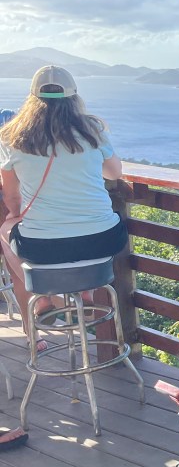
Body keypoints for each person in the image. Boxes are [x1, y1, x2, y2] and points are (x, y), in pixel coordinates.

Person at [0, 65, 127, 327]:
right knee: (86, 236)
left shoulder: (13, 138)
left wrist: (16, 216)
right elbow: (114, 173)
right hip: (103, 240)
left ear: (32, 99)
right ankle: (86, 292)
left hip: (42, 248)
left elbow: (12, 200)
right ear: (74, 98)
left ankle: (42, 294)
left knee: (5, 229)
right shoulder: (92, 130)